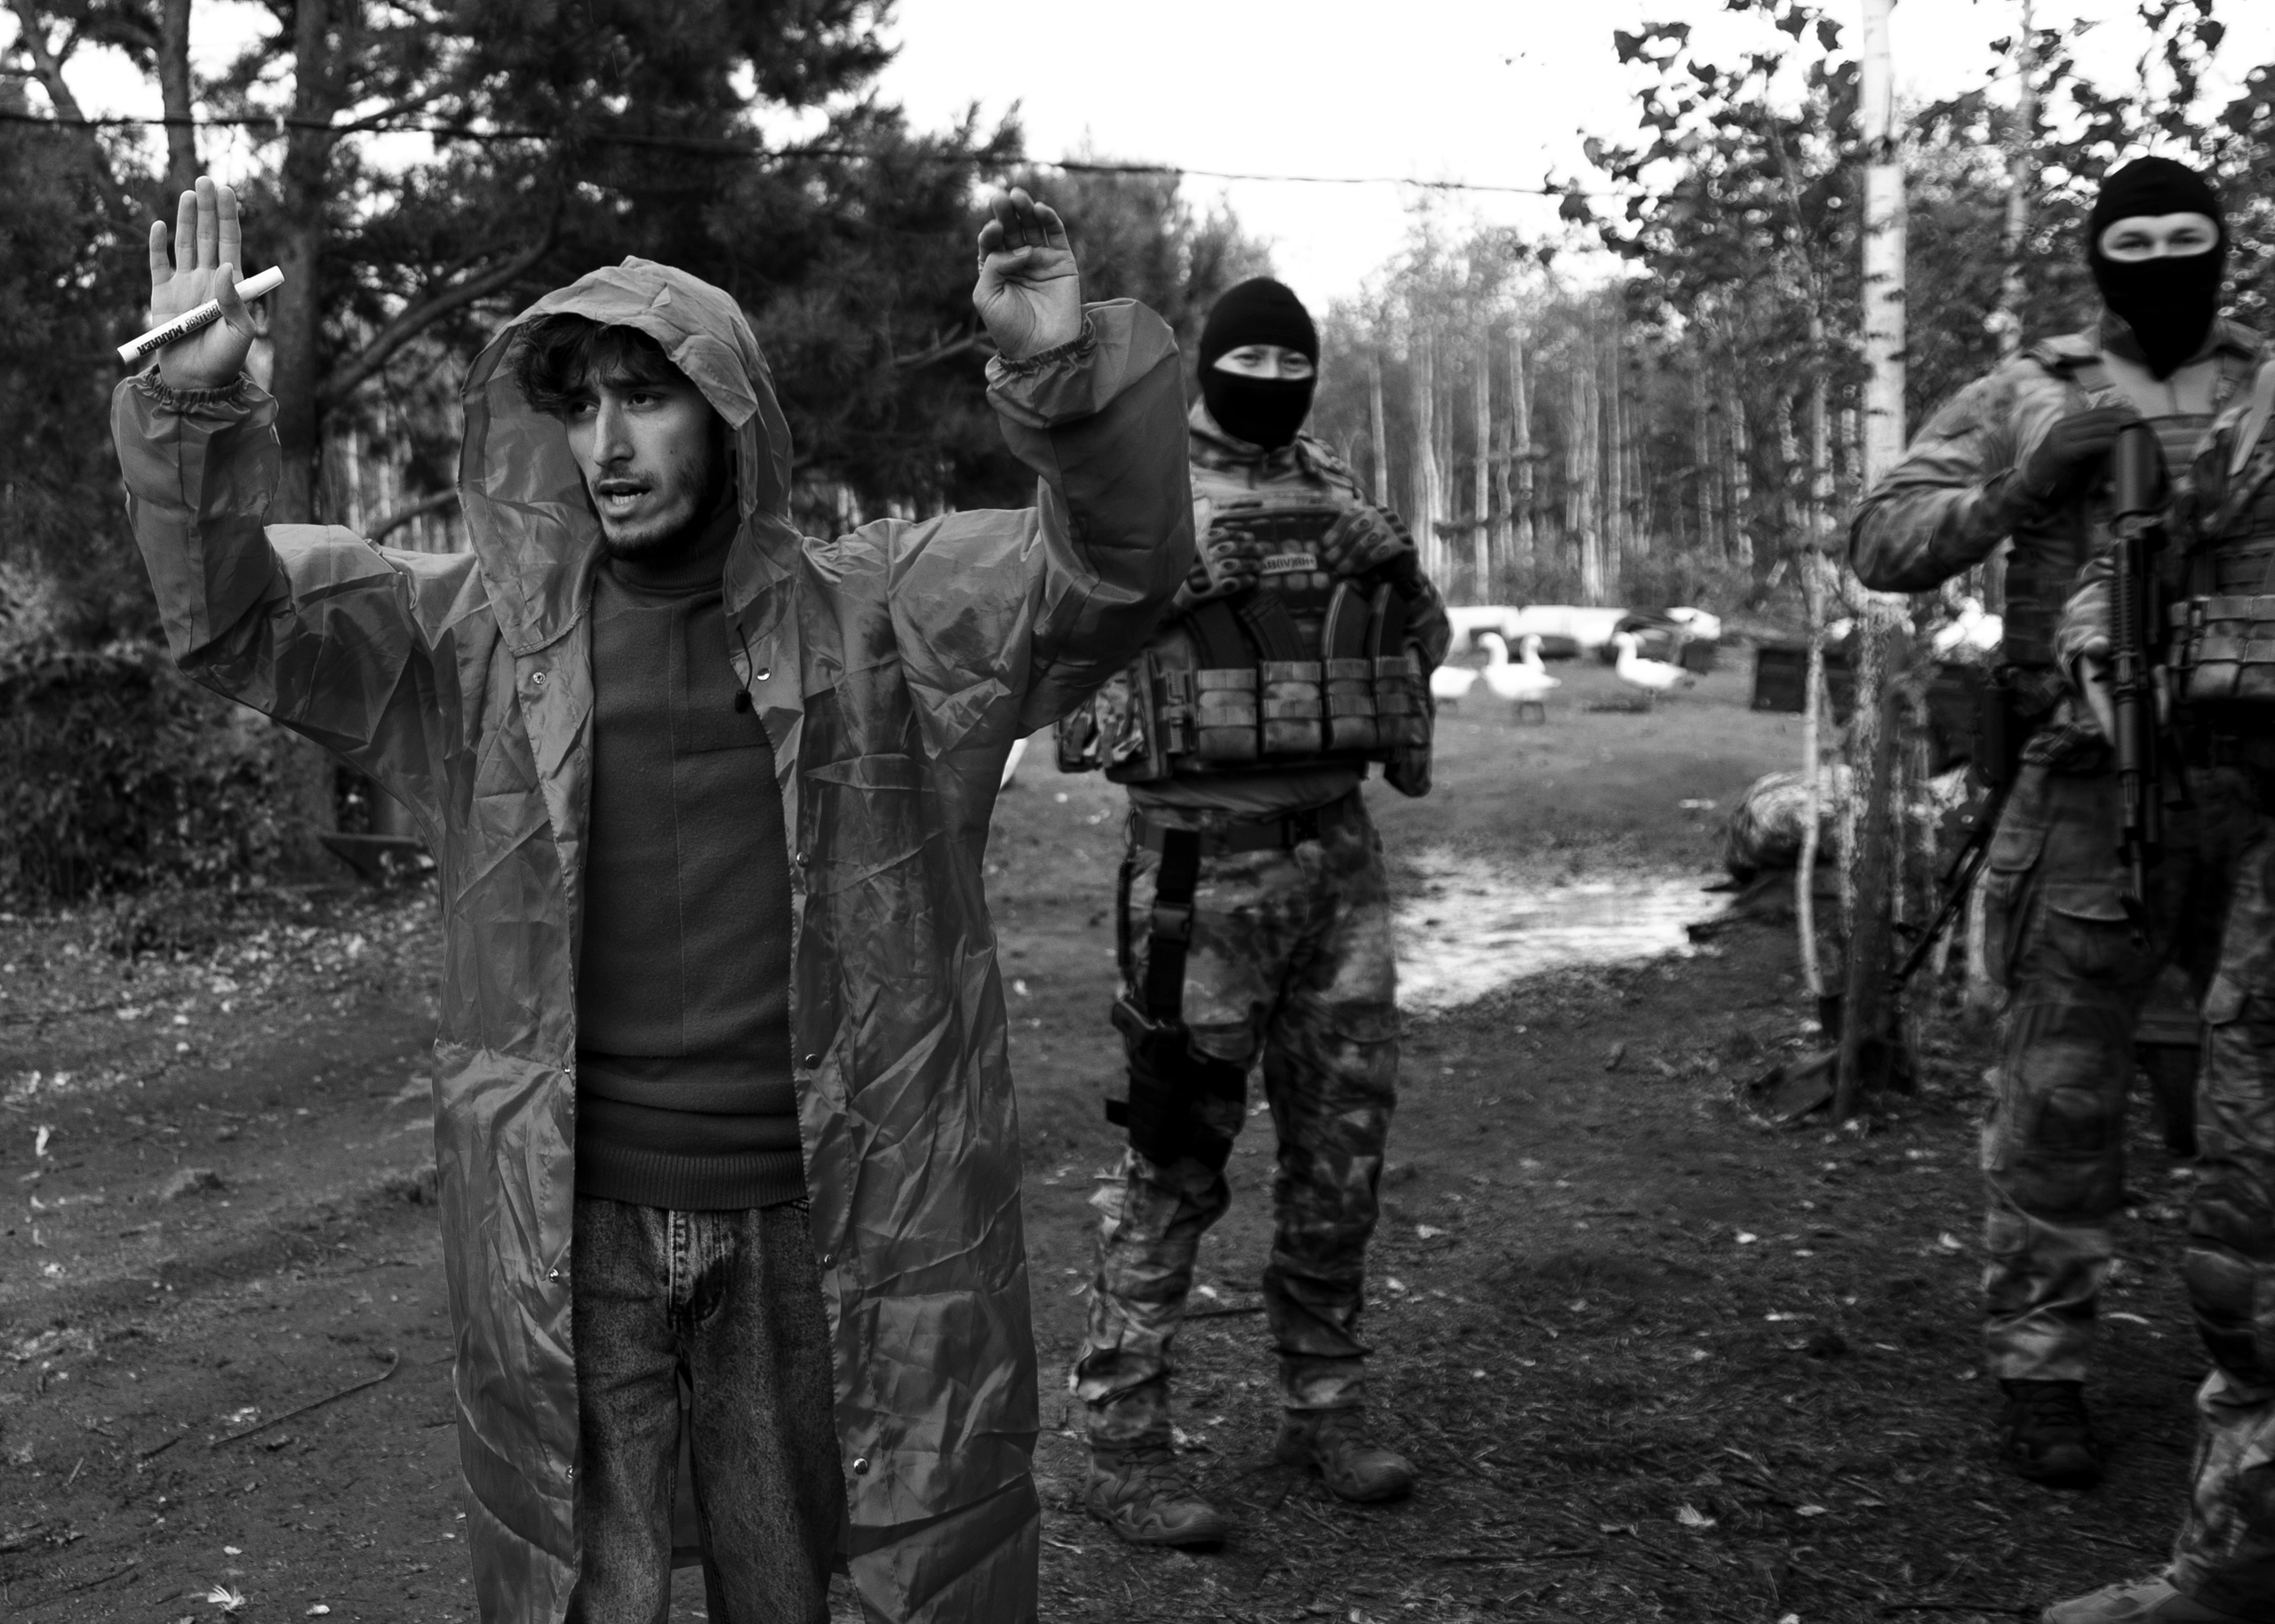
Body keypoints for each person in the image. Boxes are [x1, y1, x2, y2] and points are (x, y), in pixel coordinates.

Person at [113, 177, 1192, 1624]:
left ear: (731, 416)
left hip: (819, 1228)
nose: (608, 448)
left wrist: (1063, 374)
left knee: (798, 1592)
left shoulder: (883, 620)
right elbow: (242, 618)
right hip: (576, 1236)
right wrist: (191, 416)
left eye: (649, 400)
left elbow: (1110, 572)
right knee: (589, 1594)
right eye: (582, 406)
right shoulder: (476, 643)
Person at [1851, 155, 2261, 1491]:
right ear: (2096, 257)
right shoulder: (2031, 388)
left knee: (2255, 1091)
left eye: (2184, 236)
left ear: (2227, 244)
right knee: (2061, 1091)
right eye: (2130, 239)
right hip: (2091, 781)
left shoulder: (2268, 387)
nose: (2160, 259)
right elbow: (1881, 541)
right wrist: (2025, 483)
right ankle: (2045, 1366)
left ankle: (2249, 1355)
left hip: (2261, 786)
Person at [1055, 277, 1451, 1546]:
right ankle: (1120, 1443)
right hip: (1197, 872)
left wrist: (1394, 573)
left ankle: (1323, 1402)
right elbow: (1059, 683)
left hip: (1338, 863)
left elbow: (1414, 649)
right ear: (1210, 366)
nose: (1272, 376)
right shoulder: (1134, 498)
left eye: (1295, 358)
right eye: (1252, 356)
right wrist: (1170, 588)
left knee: (1344, 1153)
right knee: (1175, 1157)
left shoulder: (1341, 495)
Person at [2033, 348, 2275, 1624]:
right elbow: (2126, 564)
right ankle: (2238, 1567)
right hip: (2222, 812)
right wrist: (2098, 652)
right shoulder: (2243, 427)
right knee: (2249, 1227)